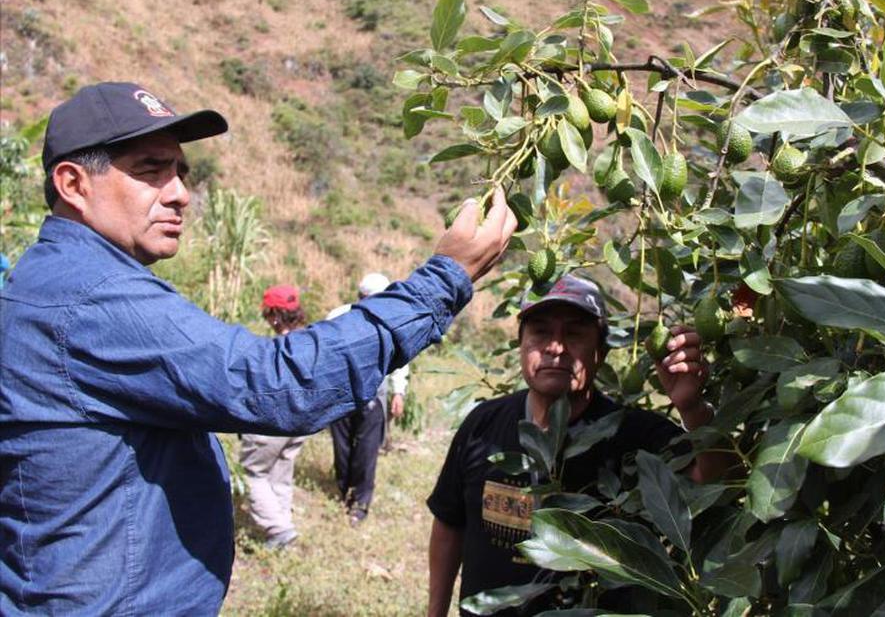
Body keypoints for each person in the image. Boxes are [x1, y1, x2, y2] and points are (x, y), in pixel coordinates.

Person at [0, 81, 516, 615]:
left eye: (181, 173)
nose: (178, 192)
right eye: (151, 170)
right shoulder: (91, 297)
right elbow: (280, 386)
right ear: (73, 184)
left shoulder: (54, 282)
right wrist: (444, 278)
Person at [426, 275, 729, 617]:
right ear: (521, 345)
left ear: (601, 352)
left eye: (574, 333)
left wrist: (692, 408)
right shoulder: (482, 423)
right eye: (540, 332)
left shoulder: (635, 435)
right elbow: (450, 523)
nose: (556, 347)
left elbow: (714, 484)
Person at [326, 272, 410, 526]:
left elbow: (400, 360)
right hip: (340, 392)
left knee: (367, 448)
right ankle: (344, 490)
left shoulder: (391, 322)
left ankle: (361, 503)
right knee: (341, 446)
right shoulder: (338, 316)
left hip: (374, 393)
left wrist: (398, 391)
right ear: (361, 297)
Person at [238, 284, 311, 549]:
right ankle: (283, 523)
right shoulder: (310, 340)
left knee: (253, 473)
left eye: (268, 314)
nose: (267, 320)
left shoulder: (276, 349)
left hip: (272, 421)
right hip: (302, 419)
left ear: (276, 315)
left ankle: (278, 529)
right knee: (281, 470)